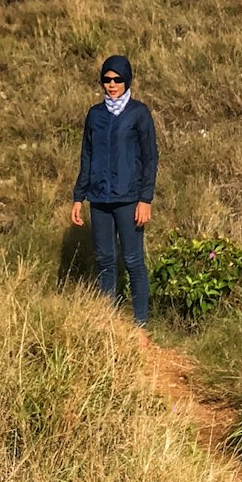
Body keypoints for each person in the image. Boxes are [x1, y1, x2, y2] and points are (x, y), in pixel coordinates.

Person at [71, 55, 158, 340]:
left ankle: (140, 326)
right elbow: (86, 155)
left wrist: (145, 199)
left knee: (132, 261)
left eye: (117, 79)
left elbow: (150, 158)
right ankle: (106, 322)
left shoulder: (139, 113)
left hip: (130, 199)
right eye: (106, 80)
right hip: (99, 199)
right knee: (105, 260)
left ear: (127, 80)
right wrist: (78, 196)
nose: (111, 85)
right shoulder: (95, 115)